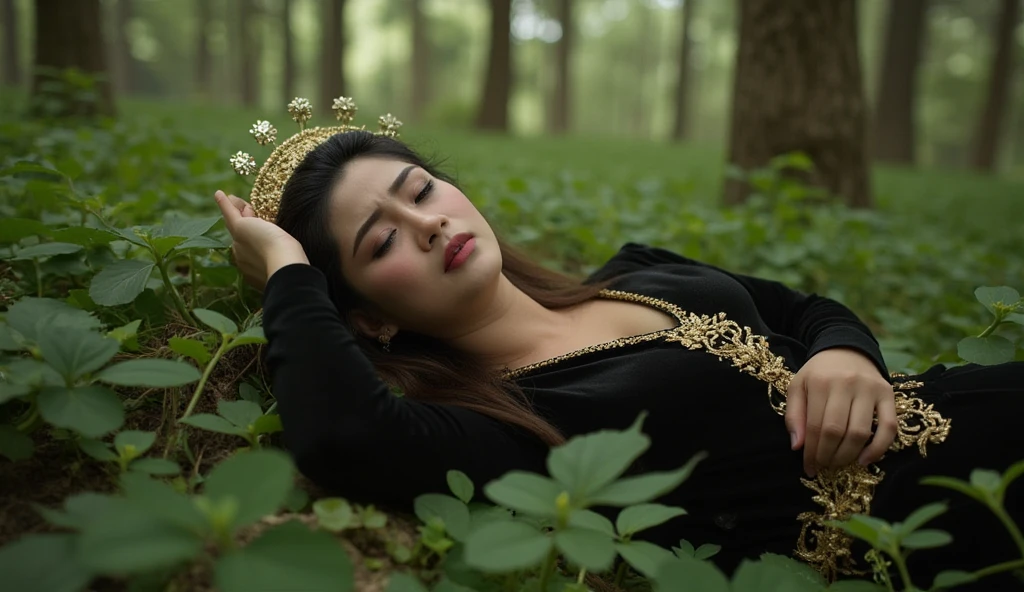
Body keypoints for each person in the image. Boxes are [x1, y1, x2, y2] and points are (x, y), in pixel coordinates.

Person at [214, 130, 1024, 589]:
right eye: (382, 238)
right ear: (366, 319)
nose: (423, 223)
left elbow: (800, 310)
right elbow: (344, 434)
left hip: (985, 410)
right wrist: (286, 270)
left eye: (420, 190)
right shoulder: (511, 422)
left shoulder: (639, 270)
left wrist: (847, 353)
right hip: (954, 540)